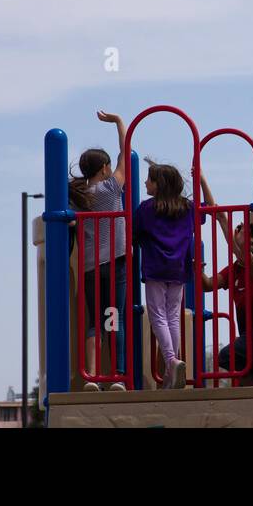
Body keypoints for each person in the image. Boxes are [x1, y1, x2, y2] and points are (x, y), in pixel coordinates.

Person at [69, 110, 130, 392]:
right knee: (114, 316)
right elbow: (125, 153)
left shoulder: (78, 196)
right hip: (116, 262)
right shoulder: (111, 188)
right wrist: (118, 122)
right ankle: (117, 375)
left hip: (90, 266)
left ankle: (92, 376)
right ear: (105, 168)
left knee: (94, 321)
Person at [133, 160, 195, 390]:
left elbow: (134, 232)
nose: (145, 182)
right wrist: (201, 180)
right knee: (173, 316)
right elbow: (204, 214)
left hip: (155, 266)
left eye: (149, 179)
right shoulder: (187, 207)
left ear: (158, 184)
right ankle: (171, 373)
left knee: (158, 315)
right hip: (179, 267)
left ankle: (171, 361)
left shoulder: (146, 208)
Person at [198, 174, 253, 385]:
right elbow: (208, 285)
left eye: (241, 229)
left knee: (228, 356)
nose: (237, 231)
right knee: (241, 365)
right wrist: (196, 267)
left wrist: (242, 243)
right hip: (247, 336)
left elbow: (246, 257)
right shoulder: (234, 269)